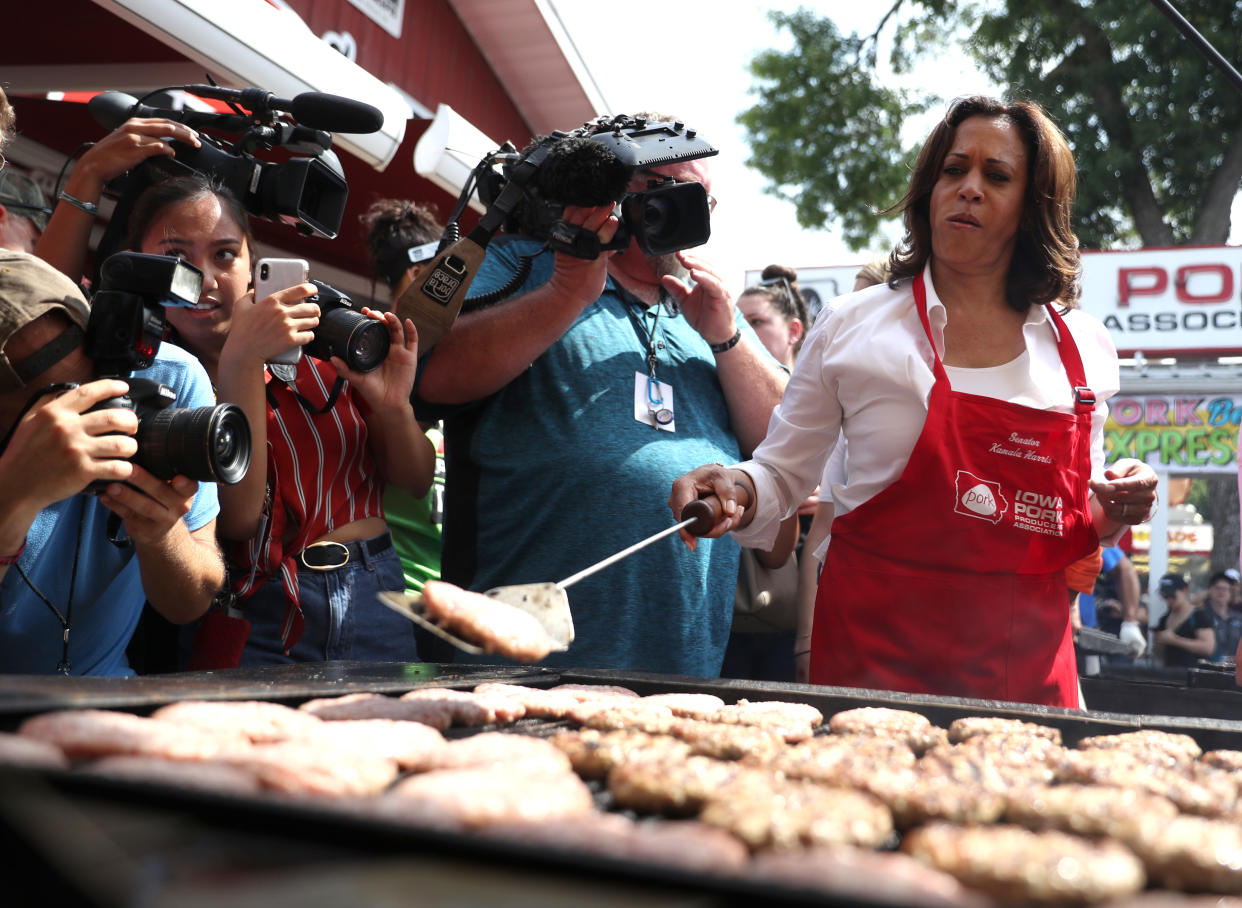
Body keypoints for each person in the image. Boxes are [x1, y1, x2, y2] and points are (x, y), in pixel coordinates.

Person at [670, 95, 1158, 708]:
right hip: (871, 672)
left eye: (997, 176)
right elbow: (783, 473)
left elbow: (1077, 515)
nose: (969, 188)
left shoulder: (1081, 347)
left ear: (1036, 208)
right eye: (955, 170)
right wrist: (738, 488)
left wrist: (1119, 498)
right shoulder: (855, 324)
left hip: (1027, 685)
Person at [416, 131, 787, 676]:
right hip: (516, 667)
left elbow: (787, 440)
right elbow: (433, 378)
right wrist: (565, 293)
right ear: (616, 194)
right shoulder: (521, 263)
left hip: (682, 671)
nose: (689, 214)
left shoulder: (710, 304)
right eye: (667, 191)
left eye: (702, 201)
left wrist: (726, 338)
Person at [119, 172, 433, 666]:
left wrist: (395, 408)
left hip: (375, 593)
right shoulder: (156, 388)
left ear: (252, 265)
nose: (205, 276)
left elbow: (414, 481)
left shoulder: (328, 349)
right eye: (176, 257)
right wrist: (242, 361)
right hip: (257, 614)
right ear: (138, 266)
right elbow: (241, 522)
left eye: (224, 254)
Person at [0, 250, 223, 674]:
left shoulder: (162, 381)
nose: (89, 419)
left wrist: (162, 534)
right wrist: (14, 498)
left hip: (103, 693)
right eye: (58, 405)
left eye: (94, 386)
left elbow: (190, 602)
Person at [722, 264, 810, 682]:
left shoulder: (818, 395)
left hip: (794, 595)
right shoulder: (721, 383)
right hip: (732, 601)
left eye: (757, 321)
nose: (748, 330)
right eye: (741, 320)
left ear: (794, 330)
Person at [360, 198, 447, 595]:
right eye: (453, 271)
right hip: (393, 597)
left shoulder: (463, 364)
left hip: (460, 602)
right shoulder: (364, 360)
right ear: (419, 273)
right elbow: (412, 482)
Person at [1152, 573, 1215, 668]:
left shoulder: (1198, 615)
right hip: (1170, 676)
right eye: (1165, 596)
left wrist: (1175, 640)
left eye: (1172, 595)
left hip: (1194, 677)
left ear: (1184, 591)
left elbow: (1208, 647)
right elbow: (1159, 654)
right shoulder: (1164, 618)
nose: (1169, 600)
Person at [1202, 570, 1242, 664]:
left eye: (1226, 588)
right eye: (1218, 588)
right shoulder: (1201, 616)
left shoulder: (1239, 618)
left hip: (1235, 670)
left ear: (1230, 593)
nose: (1221, 592)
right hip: (1208, 670)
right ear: (1210, 590)